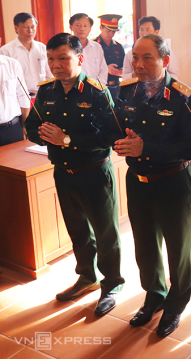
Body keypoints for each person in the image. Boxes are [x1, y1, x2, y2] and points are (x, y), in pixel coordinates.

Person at [24, 33, 125, 316]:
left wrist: (66, 139)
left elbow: (110, 135)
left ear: (79, 59)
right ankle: (87, 276)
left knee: (106, 232)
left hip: (94, 172)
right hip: (63, 173)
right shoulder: (46, 92)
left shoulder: (97, 92)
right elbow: (32, 127)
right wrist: (45, 135)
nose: (56, 65)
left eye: (63, 58)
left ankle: (112, 283)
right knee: (78, 229)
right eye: (51, 59)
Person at [113, 33, 191, 338]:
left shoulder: (183, 96)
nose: (138, 64)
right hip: (137, 182)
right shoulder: (124, 92)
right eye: (134, 57)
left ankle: (176, 303)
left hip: (172, 183)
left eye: (146, 57)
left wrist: (145, 148)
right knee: (145, 247)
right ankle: (154, 295)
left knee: (178, 250)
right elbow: (116, 129)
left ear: (164, 60)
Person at [0, 12, 51, 95]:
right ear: (16, 28)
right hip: (19, 98)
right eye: (26, 27)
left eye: (33, 27)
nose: (30, 31)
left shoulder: (42, 48)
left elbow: (50, 75)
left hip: (43, 96)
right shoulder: (5, 51)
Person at [120, 16, 180, 80]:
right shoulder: (131, 53)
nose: (144, 33)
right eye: (141, 30)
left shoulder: (167, 52)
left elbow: (175, 74)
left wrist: (160, 77)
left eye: (147, 30)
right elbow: (125, 76)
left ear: (156, 32)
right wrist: (133, 75)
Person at [69, 13, 109, 85]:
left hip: (95, 89)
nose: (82, 28)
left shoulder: (97, 47)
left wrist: (98, 88)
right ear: (71, 27)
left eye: (85, 26)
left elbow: (103, 70)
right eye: (78, 25)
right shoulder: (66, 48)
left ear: (90, 28)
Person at [0, 55, 31, 146]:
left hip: (12, 129)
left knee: (18, 160)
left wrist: (26, 125)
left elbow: (23, 96)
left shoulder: (12, 64)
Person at [95, 14, 126, 100]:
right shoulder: (93, 45)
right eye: (108, 31)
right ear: (101, 28)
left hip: (116, 87)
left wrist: (121, 71)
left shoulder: (118, 47)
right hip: (98, 87)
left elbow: (125, 65)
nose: (111, 34)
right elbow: (88, 67)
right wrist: (106, 69)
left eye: (114, 31)